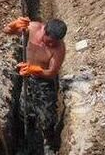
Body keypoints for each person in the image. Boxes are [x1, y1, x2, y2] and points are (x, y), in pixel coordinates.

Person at [4, 17, 67, 152]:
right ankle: (26, 138)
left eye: (54, 43)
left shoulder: (59, 49)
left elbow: (51, 73)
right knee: (23, 111)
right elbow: (7, 31)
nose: (51, 45)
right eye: (49, 41)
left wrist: (37, 70)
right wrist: (13, 25)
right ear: (44, 31)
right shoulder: (32, 28)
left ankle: (49, 142)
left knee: (47, 117)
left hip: (45, 83)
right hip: (27, 79)